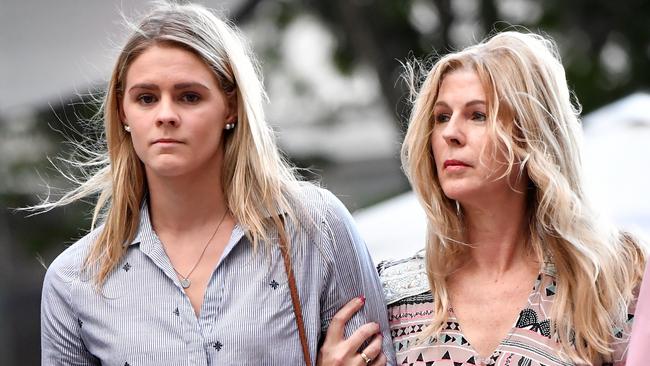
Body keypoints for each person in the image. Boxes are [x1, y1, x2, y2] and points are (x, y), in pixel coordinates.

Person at [37, 2, 395, 365]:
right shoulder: (75, 280)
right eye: (146, 98)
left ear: (231, 107)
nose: (165, 116)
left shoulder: (312, 226)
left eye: (189, 96)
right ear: (123, 112)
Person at [319, 31, 647, 365]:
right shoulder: (390, 294)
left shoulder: (611, 279)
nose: (450, 133)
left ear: (531, 134)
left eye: (478, 115)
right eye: (442, 117)